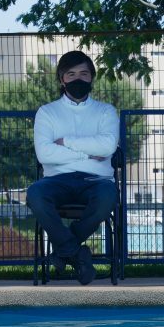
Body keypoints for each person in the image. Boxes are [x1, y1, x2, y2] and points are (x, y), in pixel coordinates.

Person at [27, 50, 119, 285]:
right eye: (71, 74)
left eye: (84, 73)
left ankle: (63, 252)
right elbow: (44, 153)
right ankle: (77, 253)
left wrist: (66, 142)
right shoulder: (47, 112)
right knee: (35, 194)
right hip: (57, 179)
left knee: (108, 196)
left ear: (92, 78)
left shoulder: (106, 111)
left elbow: (108, 147)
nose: (78, 79)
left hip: (96, 181)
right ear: (61, 79)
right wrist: (90, 152)